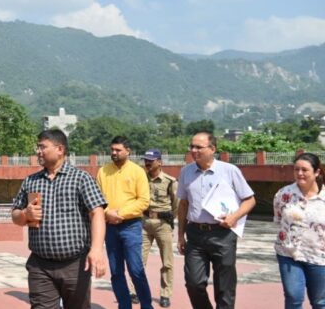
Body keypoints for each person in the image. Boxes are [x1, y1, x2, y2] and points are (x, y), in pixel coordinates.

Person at [11, 129, 108, 309]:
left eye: (43, 147)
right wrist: (25, 214)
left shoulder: (81, 179)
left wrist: (96, 250)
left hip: (75, 265)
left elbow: (97, 213)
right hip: (40, 265)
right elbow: (15, 216)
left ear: (60, 149)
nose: (38, 151)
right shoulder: (31, 181)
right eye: (38, 147)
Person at [177, 132, 255, 309]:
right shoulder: (186, 172)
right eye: (192, 146)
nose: (193, 150)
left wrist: (234, 217)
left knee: (224, 286)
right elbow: (183, 205)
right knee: (193, 283)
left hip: (223, 234)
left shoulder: (229, 171)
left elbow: (250, 200)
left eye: (199, 147)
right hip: (195, 234)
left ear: (212, 149)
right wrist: (180, 235)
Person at [96, 136, 152, 309]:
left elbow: (143, 201)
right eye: (112, 149)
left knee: (136, 270)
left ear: (128, 151)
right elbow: (97, 200)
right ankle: (124, 305)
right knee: (116, 272)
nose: (114, 153)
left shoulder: (137, 171)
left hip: (131, 226)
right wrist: (107, 214)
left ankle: (146, 305)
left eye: (118, 150)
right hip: (110, 228)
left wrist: (120, 213)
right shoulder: (103, 171)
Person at [273, 152, 325, 309]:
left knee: (320, 302)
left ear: (317, 172)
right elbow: (279, 219)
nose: (300, 174)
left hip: (320, 256)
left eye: (304, 170)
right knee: (293, 297)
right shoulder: (283, 194)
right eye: (296, 169)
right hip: (289, 254)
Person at [127, 149, 178, 308]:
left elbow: (176, 205)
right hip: (144, 222)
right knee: (138, 260)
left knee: (167, 262)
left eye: (151, 160)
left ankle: (165, 294)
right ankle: (134, 291)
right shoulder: (141, 179)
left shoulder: (170, 181)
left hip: (163, 224)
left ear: (160, 162)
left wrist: (169, 220)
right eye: (146, 160)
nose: (147, 163)